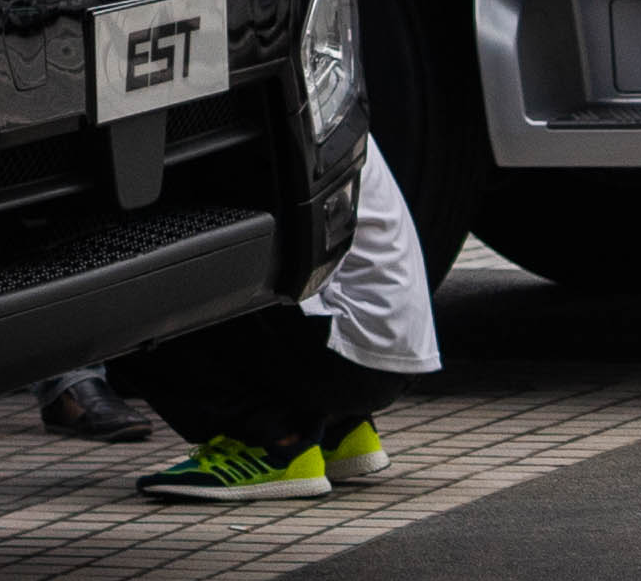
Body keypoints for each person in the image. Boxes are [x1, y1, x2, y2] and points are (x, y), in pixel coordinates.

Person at [112, 138, 440, 500]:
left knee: (112, 284)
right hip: (390, 347)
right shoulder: (307, 89)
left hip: (342, 353)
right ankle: (336, 426)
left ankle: (272, 442)